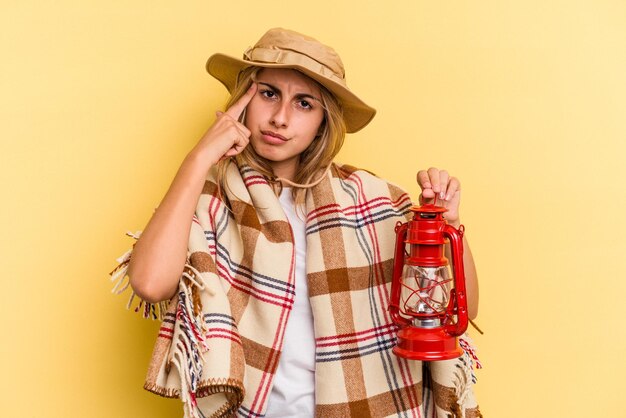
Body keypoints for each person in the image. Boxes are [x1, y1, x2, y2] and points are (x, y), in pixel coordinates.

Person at [114, 28, 481, 418]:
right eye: (268, 93)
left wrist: (449, 226)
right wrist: (200, 156)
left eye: (304, 103)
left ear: (324, 121)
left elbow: (465, 309)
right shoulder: (209, 196)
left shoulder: (373, 202)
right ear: (243, 99)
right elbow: (150, 283)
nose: (280, 118)